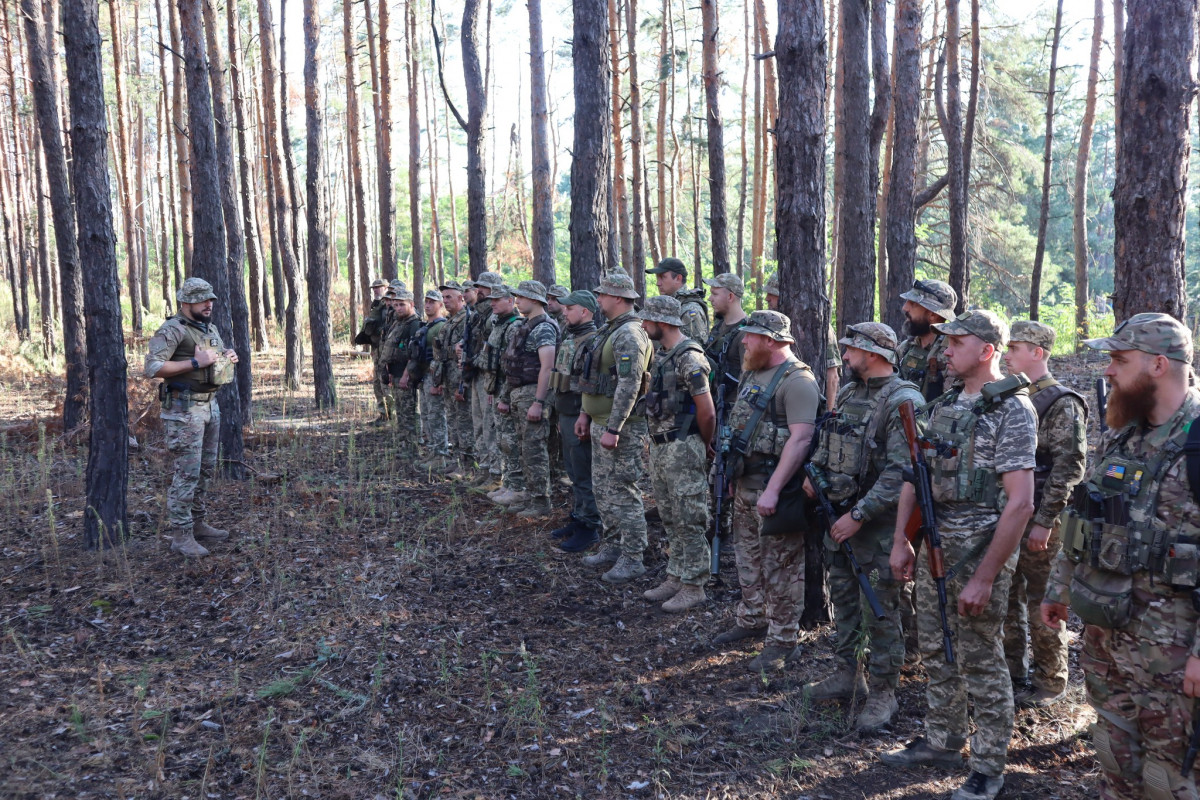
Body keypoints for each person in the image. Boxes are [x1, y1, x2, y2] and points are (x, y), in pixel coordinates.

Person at [1042, 313, 1200, 800]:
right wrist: (1059, 588)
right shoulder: (1121, 434)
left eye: (1118, 359)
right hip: (1107, 632)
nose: (1108, 371)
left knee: (1168, 778)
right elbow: (1085, 516)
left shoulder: (1195, 444)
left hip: (1173, 652)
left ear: (1158, 364)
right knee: (1113, 753)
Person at [882, 309, 1037, 800]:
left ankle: (989, 765)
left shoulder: (1012, 410)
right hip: (934, 545)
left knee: (980, 656)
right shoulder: (944, 403)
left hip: (980, 550)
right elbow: (916, 474)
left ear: (987, 350)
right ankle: (944, 740)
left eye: (957, 342)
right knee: (936, 648)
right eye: (945, 342)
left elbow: (1021, 502)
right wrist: (902, 539)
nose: (945, 349)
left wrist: (987, 576)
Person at [802, 322, 924, 730]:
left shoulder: (903, 401)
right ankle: (846, 673)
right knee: (845, 601)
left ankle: (884, 691)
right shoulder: (852, 391)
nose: (845, 356)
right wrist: (815, 473)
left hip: (876, 526)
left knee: (882, 611)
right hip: (838, 516)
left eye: (851, 349)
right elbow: (829, 437)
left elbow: (900, 472)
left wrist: (859, 516)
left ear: (873, 354)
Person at [713, 310, 821, 672]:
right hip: (745, 484)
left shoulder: (798, 381)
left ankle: (783, 640)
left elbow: (801, 438)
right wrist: (730, 472)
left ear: (771, 341)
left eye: (751, 336)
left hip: (775, 491)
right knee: (747, 559)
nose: (744, 341)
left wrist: (773, 491)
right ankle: (753, 617)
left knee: (782, 568)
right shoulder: (753, 372)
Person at [1001, 319, 1087, 708]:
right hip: (1009, 516)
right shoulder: (1011, 395)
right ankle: (1012, 669)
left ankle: (1051, 681)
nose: (1007, 354)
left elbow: (1069, 469)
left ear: (1037, 353)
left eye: (1015, 348)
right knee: (1007, 597)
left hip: (1039, 519)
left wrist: (1044, 521)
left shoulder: (1062, 402)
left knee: (1042, 601)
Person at [144, 277, 240, 557]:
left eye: (210, 299)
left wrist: (227, 356)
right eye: (202, 299)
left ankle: (197, 524)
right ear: (185, 303)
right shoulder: (172, 329)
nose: (209, 304)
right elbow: (152, 367)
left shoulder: (208, 328)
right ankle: (181, 535)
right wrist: (197, 362)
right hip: (183, 412)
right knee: (187, 473)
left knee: (206, 470)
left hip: (210, 407)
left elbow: (216, 358)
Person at [639, 295, 716, 612]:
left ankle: (694, 585)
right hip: (661, 446)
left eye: (647, 320)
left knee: (689, 516)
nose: (643, 325)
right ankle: (676, 575)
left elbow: (707, 412)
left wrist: (704, 444)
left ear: (663, 322)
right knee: (670, 514)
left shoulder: (691, 358)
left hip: (683, 445)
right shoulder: (664, 355)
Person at [575, 270, 654, 583]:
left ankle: (633, 557)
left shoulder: (629, 334)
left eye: (602, 294)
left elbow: (630, 383)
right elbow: (595, 377)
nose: (598, 299)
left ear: (618, 298)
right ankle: (612, 546)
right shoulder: (610, 331)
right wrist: (585, 414)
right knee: (604, 491)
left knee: (624, 492)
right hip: (600, 423)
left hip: (622, 428)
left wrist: (615, 427)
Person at [498, 280, 559, 518]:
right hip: (519, 394)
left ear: (535, 300)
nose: (517, 300)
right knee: (524, 448)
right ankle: (530, 495)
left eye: (521, 297)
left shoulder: (544, 327)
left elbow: (547, 368)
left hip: (532, 394)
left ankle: (541, 502)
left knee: (534, 449)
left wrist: (538, 402)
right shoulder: (527, 325)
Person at [551, 290, 604, 552]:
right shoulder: (572, 338)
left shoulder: (592, 341)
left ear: (584, 311)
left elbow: (589, 384)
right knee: (573, 472)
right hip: (566, 412)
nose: (564, 312)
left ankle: (590, 527)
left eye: (569, 308)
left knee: (584, 475)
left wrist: (582, 415)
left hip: (579, 414)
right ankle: (579, 516)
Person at [765, 272, 841, 411]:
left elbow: (832, 375)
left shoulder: (821, 328)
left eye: (772, 294)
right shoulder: (772, 327)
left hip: (809, 403)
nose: (767, 298)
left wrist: (828, 414)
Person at [484, 285, 527, 505]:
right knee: (502, 438)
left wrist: (505, 395)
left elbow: (512, 365)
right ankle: (509, 483)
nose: (492, 303)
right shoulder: (498, 324)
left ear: (510, 301)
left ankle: (518, 487)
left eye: (497, 299)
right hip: (498, 387)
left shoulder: (514, 326)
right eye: (491, 299)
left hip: (507, 389)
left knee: (510, 439)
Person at [402, 289, 449, 459]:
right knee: (427, 416)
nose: (428, 305)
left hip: (434, 376)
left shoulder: (442, 326)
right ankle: (432, 452)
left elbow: (444, 357)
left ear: (440, 305)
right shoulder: (425, 326)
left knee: (436, 417)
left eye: (432, 302)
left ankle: (440, 455)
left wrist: (439, 382)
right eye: (426, 302)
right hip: (423, 376)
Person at [465, 273, 503, 485]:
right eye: (479, 287)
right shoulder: (477, 314)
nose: (480, 291)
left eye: (485, 288)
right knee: (478, 423)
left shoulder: (494, 317)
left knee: (490, 426)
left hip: (489, 377)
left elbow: (493, 350)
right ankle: (484, 468)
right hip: (476, 374)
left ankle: (496, 474)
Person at [895, 278, 959, 401]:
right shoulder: (905, 348)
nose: (905, 308)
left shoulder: (952, 354)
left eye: (913, 304)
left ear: (932, 315)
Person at [380, 287, 423, 458]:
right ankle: (403, 446)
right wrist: (390, 371)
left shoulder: (414, 324)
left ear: (411, 304)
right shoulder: (398, 322)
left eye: (402, 305)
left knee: (409, 414)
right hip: (396, 374)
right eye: (396, 305)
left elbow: (414, 355)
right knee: (401, 413)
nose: (398, 308)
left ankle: (412, 448)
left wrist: (406, 375)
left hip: (407, 376)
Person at [438, 281, 475, 477]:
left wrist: (463, 384)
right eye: (443, 298)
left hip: (460, 380)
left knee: (463, 423)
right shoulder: (450, 321)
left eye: (449, 297)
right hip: (448, 379)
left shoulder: (466, 321)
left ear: (461, 298)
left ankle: (468, 465)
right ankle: (457, 460)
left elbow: (464, 353)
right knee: (452, 422)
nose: (445, 301)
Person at [354, 278, 392, 423]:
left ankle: (391, 415)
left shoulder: (391, 306)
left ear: (386, 288)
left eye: (378, 287)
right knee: (377, 382)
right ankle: (383, 414)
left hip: (387, 350)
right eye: (374, 288)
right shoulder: (376, 305)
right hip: (377, 349)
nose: (376, 290)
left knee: (386, 381)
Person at [645, 257, 709, 342]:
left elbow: (697, 348)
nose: (658, 283)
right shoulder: (669, 305)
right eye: (657, 278)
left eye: (663, 277)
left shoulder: (689, 309)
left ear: (678, 278)